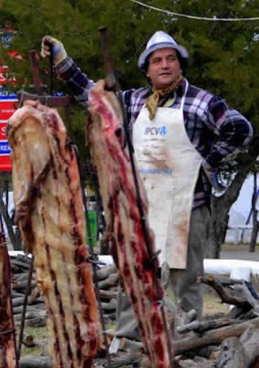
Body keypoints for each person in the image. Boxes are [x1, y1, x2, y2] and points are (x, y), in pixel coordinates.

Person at [41, 32, 252, 337]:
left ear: (180, 64)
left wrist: (207, 160)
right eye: (157, 60)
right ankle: (130, 342)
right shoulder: (133, 101)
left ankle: (187, 342)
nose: (165, 65)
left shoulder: (201, 102)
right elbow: (92, 97)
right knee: (133, 275)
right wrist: (62, 61)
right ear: (147, 69)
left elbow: (240, 129)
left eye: (171, 59)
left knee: (186, 282)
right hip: (142, 207)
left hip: (187, 207)